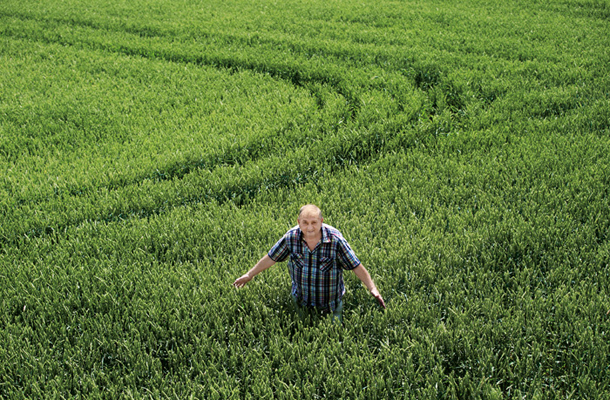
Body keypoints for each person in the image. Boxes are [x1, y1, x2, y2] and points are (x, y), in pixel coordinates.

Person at [233, 204, 385, 322]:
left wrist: (372, 288)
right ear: (298, 222)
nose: (310, 227)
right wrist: (249, 274)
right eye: (305, 223)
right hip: (301, 299)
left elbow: (355, 266)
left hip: (331, 301)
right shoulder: (291, 238)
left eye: (314, 222)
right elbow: (271, 257)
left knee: (333, 335)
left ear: (321, 221)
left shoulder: (335, 240)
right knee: (302, 330)